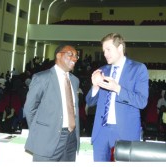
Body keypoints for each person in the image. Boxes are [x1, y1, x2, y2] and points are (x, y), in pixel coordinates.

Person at [85, 33, 149, 161]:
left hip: (125, 131)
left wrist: (117, 88)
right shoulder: (102, 70)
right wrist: (95, 86)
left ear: (120, 48)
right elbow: (89, 101)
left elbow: (142, 101)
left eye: (108, 49)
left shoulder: (138, 69)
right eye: (103, 51)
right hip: (101, 131)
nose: (105, 54)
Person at [23, 44, 80, 161]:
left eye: (76, 56)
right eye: (70, 54)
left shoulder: (74, 80)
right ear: (59, 55)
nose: (74, 58)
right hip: (47, 139)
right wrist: (39, 132)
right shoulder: (42, 78)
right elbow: (29, 109)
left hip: (71, 139)